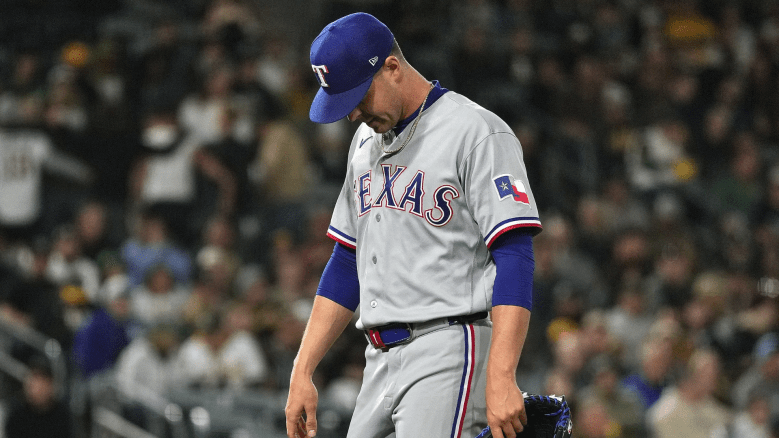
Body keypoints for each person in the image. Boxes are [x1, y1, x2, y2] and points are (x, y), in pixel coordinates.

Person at [285, 12, 542, 438]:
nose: (352, 116)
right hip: (378, 358)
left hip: (449, 346)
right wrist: (303, 369)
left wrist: (501, 375)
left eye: (357, 97)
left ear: (391, 67)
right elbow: (347, 259)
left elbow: (514, 254)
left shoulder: (475, 131)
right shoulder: (365, 143)